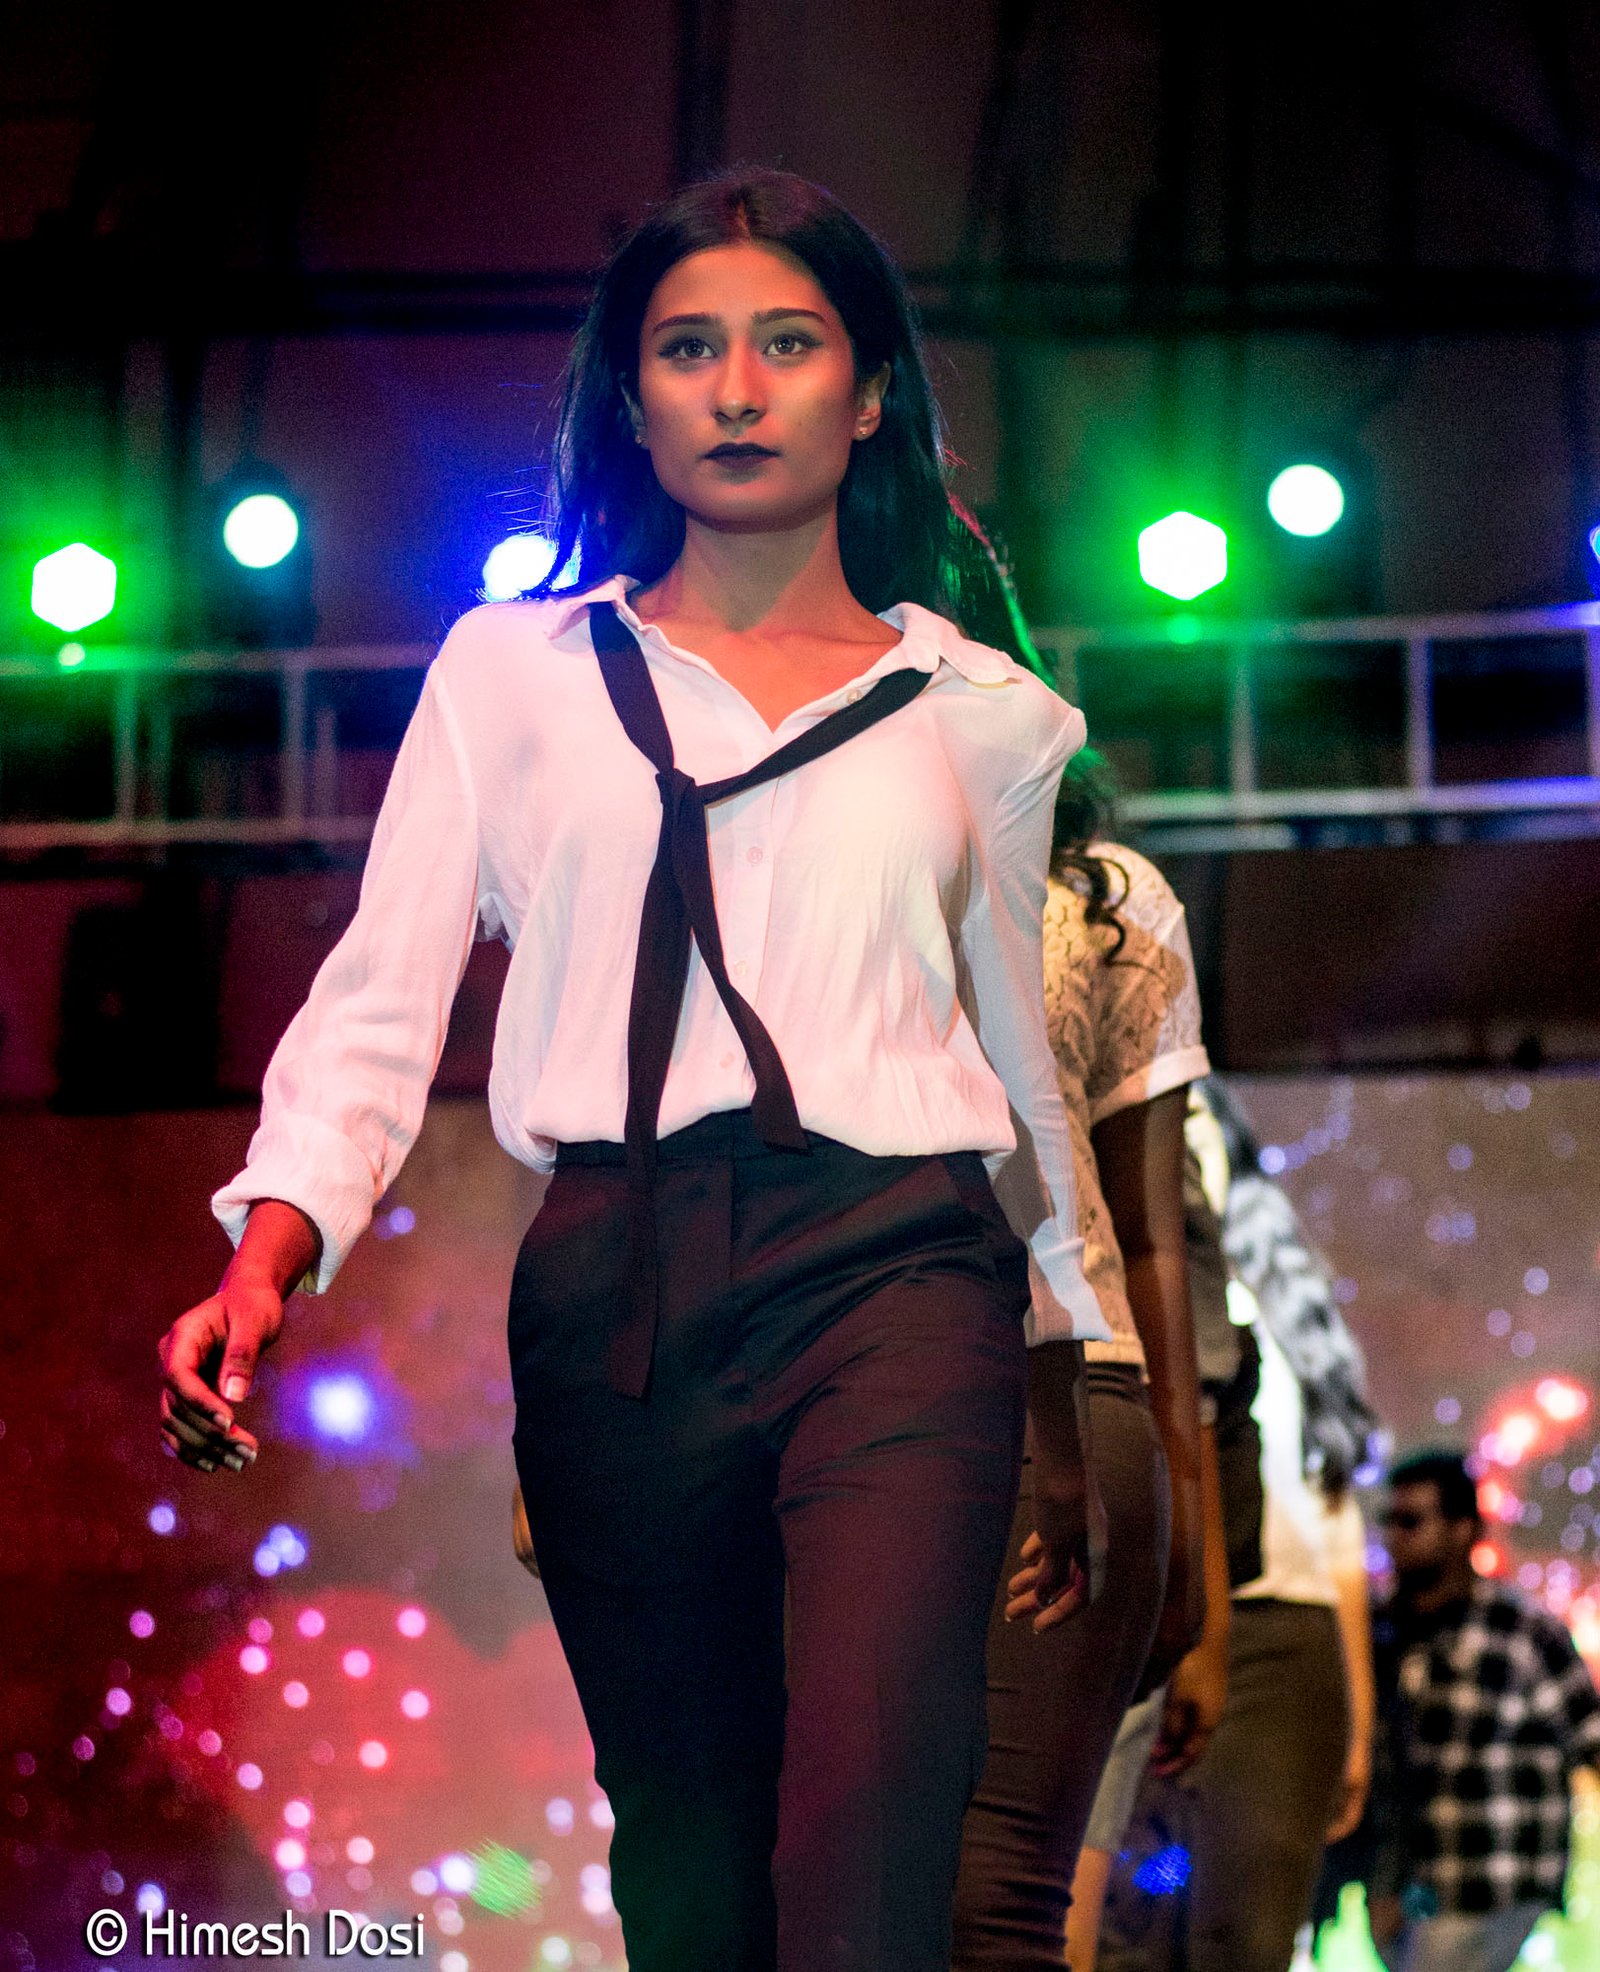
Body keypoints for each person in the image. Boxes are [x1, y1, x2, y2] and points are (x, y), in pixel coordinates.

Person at [154, 168, 1111, 1972]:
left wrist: (1073, 1361)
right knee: (690, 1856)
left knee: (875, 1809)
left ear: (870, 391)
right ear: (635, 398)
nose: (737, 389)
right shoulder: (508, 673)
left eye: (787, 344)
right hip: (619, 1279)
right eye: (688, 350)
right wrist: (267, 1253)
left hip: (901, 1268)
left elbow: (1014, 1060)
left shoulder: (986, 716)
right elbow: (381, 994)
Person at [951, 749, 1219, 1968]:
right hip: (825, 1369)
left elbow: (1153, 1237)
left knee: (996, 1904)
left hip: (1073, 1372)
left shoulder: (1103, 895)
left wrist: (1190, 1518)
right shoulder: (771, 840)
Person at [1099, 1080, 1381, 1972]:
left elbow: (1336, 1532)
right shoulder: (1129, 1291)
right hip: (1161, 1605)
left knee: (1244, 1935)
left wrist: (1360, 1717)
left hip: (1285, 1639)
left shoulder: (1292, 1316)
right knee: (1131, 1925)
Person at [1365, 1448, 1600, 1972]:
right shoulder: (1381, 1632)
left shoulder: (1522, 1632)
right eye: (1389, 1521)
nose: (1394, 1536)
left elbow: (1592, 1735)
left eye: (1411, 1521)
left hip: (1492, 1882)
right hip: (1404, 1887)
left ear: (1463, 1530)